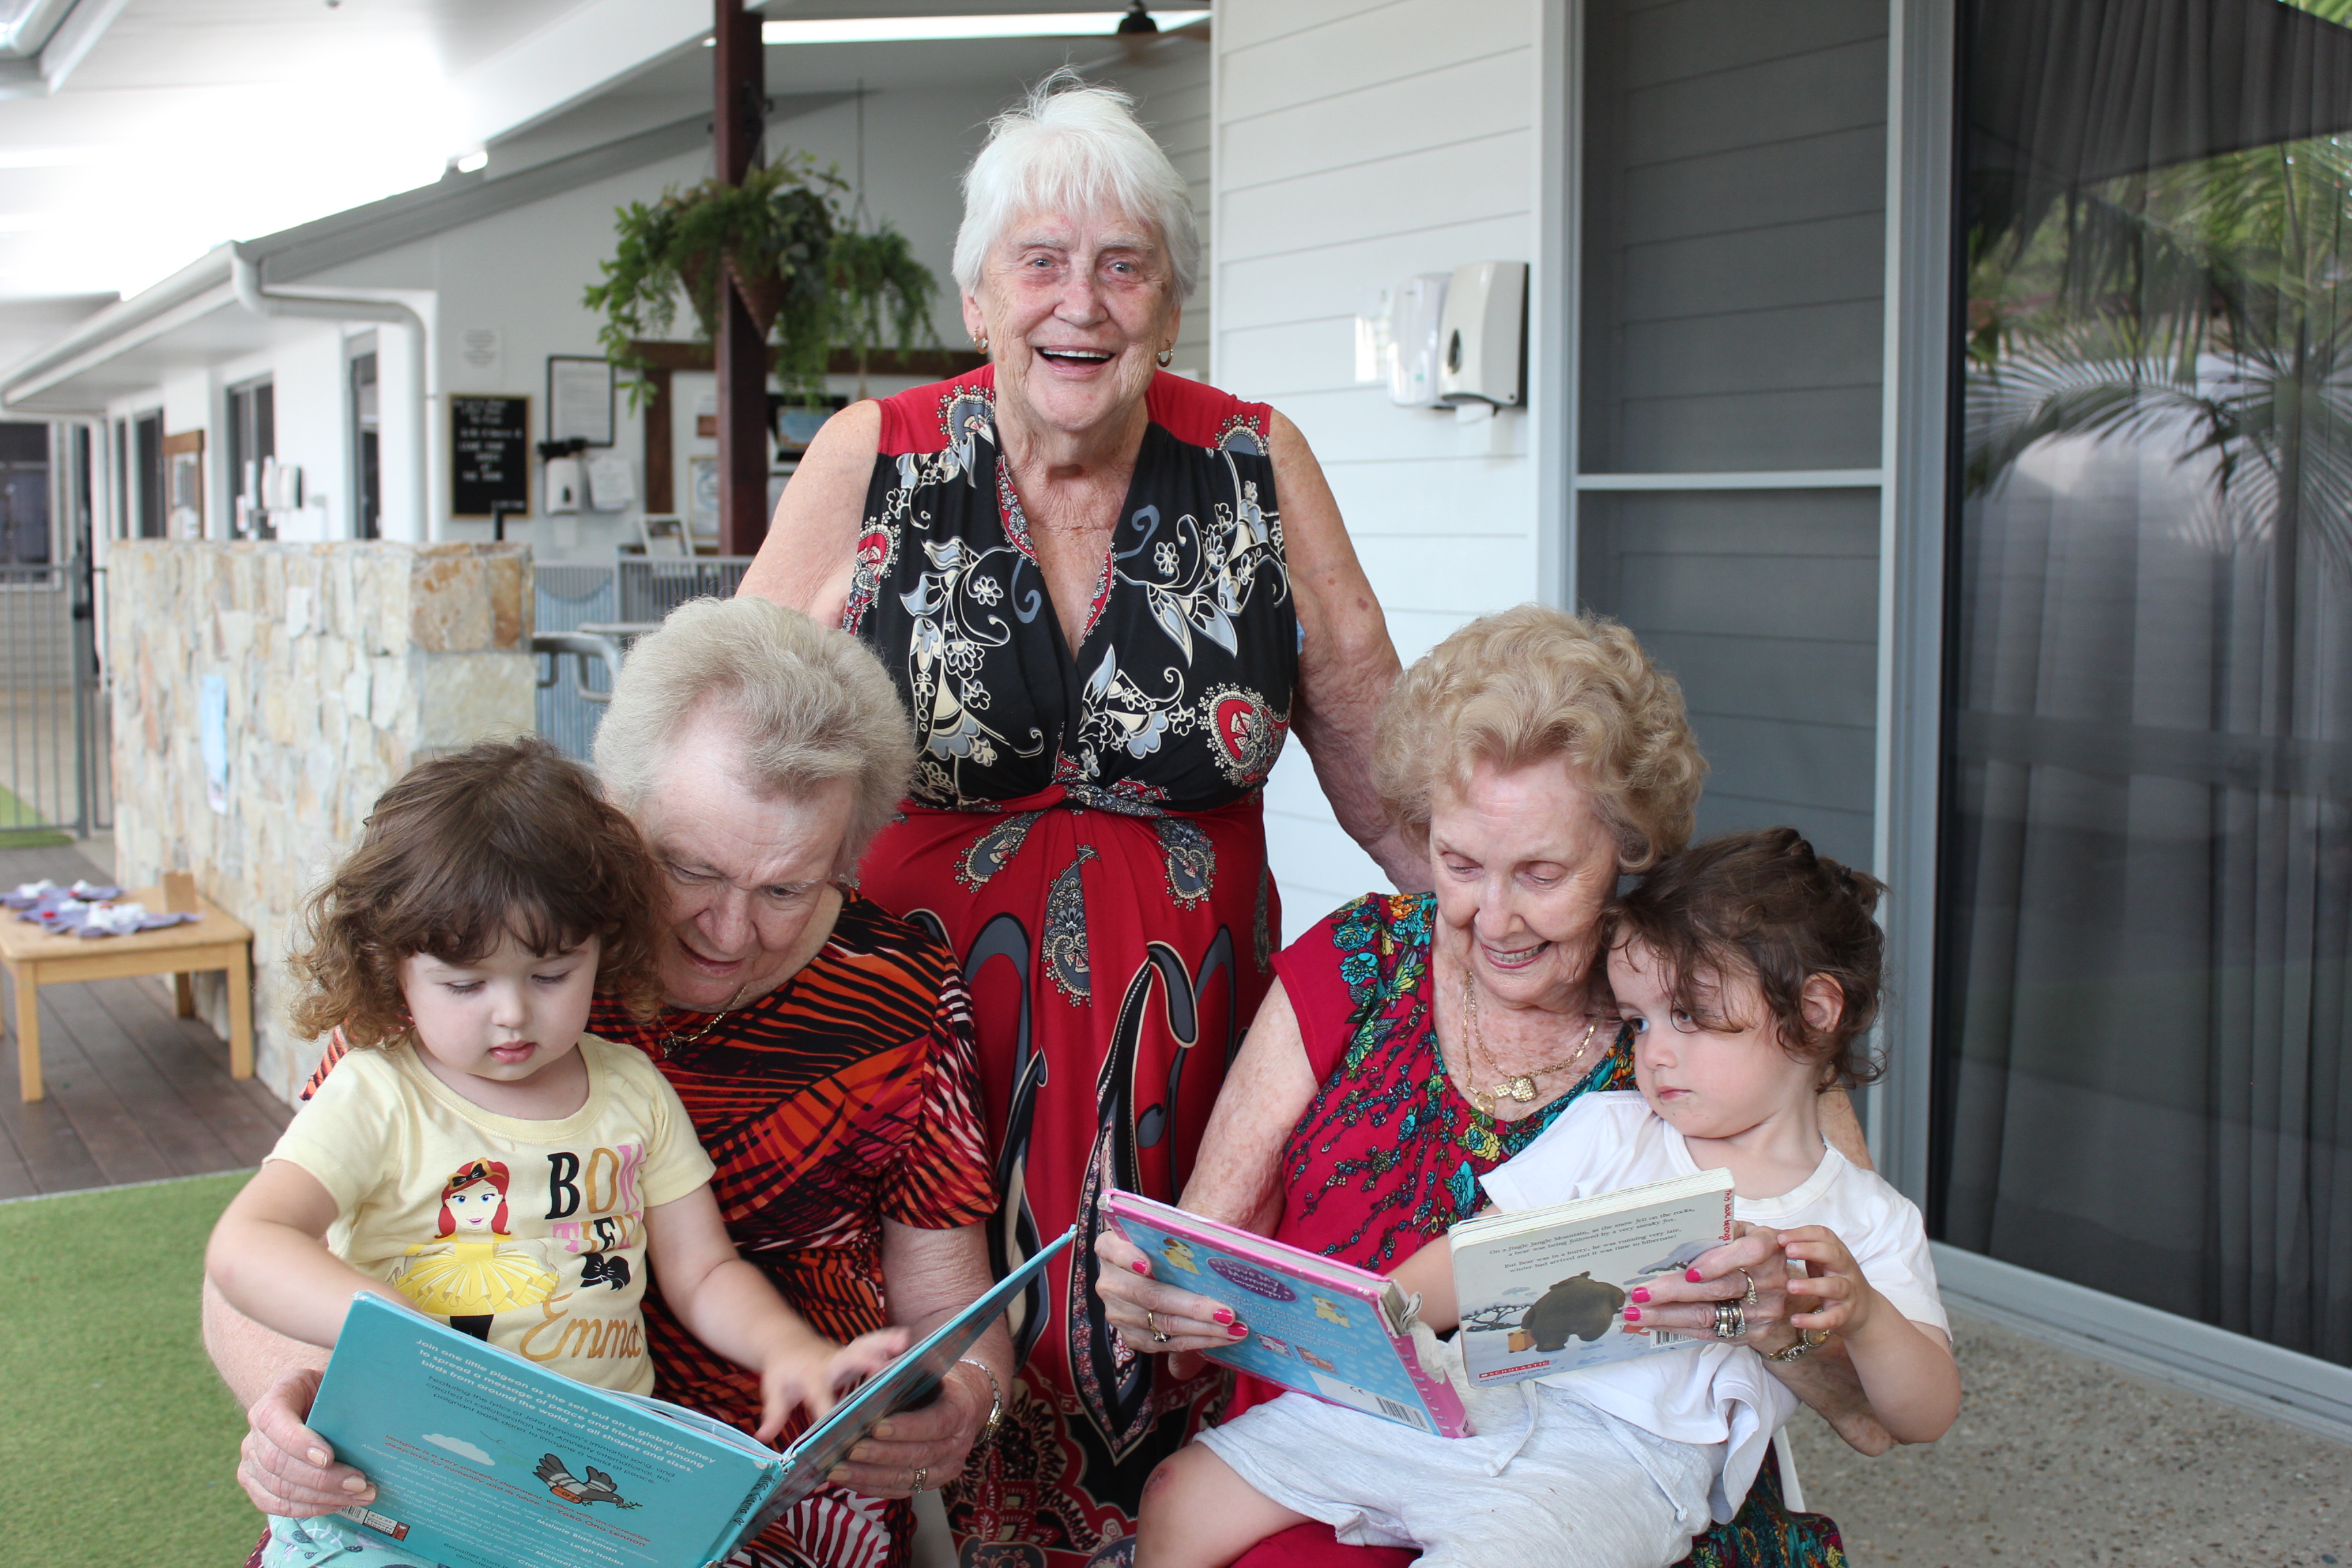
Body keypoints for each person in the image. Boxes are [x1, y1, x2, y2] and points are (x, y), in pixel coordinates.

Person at [740, 72, 1412, 1565]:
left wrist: (1516, 937)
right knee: (923, 1386)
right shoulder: (876, 456)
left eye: (1124, 267)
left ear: (1171, 305)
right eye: (1041, 262)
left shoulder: (1256, 462)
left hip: (1190, 1039)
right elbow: (728, 731)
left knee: (1177, 1359)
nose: (1081, 303)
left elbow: (1380, 749)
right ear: (980, 294)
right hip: (924, 1038)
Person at [208, 598, 1011, 1568]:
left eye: (786, 889)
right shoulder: (493, 955)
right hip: (428, 1464)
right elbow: (256, 1261)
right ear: (618, 814)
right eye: (690, 868)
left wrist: (962, 1396)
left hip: (754, 1498)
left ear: (847, 866)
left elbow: (951, 1319)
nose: (727, 930)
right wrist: (288, 1408)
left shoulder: (896, 1000)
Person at [1096, 606, 1884, 1568]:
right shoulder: (1357, 963)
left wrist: (1779, 1329)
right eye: (1461, 864)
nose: (1494, 916)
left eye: (1542, 873)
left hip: (1597, 1500)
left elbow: (1870, 1416)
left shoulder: (1722, 1042)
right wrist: (1160, 1300)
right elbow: (1202, 1275)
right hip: (1331, 1462)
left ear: (1628, 854)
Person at [1134, 829, 1959, 1568]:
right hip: (1472, 1399)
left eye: (1690, 1018)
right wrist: (1374, 1317)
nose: (1657, 1054)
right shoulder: (1614, 1129)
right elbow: (1480, 1257)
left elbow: (1923, 1415)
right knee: (1183, 1489)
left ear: (1813, 1014)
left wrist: (1863, 1318)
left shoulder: (1863, 1219)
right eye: (1639, 1024)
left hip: (1622, 1472)